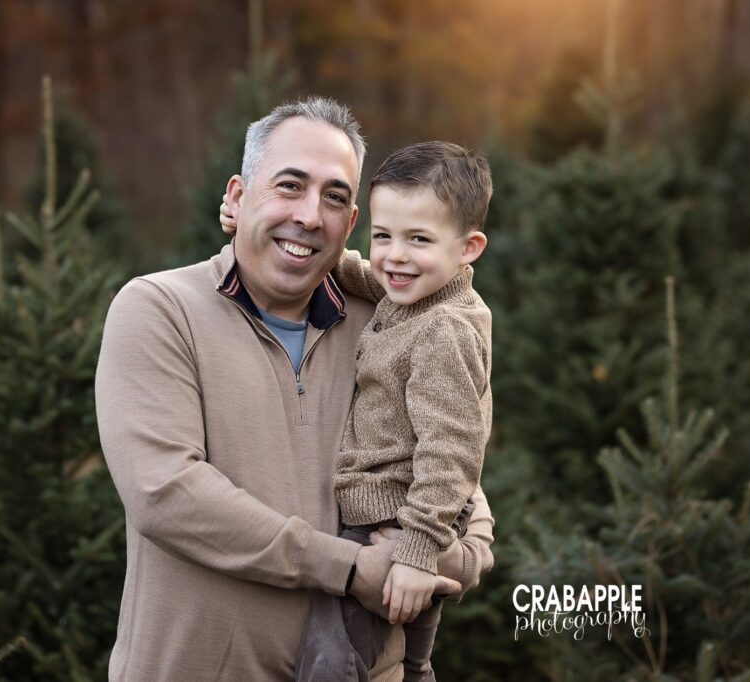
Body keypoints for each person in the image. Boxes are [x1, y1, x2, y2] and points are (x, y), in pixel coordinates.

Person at [95, 97, 495, 681]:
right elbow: (166, 492)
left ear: (350, 224)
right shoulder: (159, 310)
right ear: (236, 196)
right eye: (289, 185)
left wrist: (435, 558)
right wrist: (354, 568)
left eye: (334, 197)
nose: (310, 215)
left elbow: (460, 475)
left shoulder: (388, 322)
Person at [220, 141, 493, 681]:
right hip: (403, 517)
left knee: (329, 658)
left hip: (395, 520)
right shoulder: (415, 293)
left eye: (418, 239)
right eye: (383, 236)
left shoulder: (444, 330)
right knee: (410, 665)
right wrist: (249, 217)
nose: (394, 256)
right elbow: (351, 271)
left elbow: (453, 448)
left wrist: (416, 552)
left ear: (469, 247)